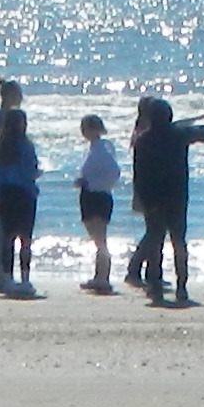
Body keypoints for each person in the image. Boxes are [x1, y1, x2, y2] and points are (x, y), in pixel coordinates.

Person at [128, 94, 204, 307]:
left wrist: (139, 198)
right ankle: (181, 287)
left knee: (155, 244)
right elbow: (201, 132)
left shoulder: (143, 141)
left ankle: (155, 288)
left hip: (153, 199)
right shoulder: (178, 135)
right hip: (176, 197)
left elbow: (138, 173)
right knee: (178, 243)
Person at [0, 98, 42, 296]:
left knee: (7, 238)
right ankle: (25, 279)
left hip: (6, 194)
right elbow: (32, 169)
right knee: (26, 238)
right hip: (26, 194)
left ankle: (8, 278)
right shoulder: (26, 146)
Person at [73, 113, 120, 295]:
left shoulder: (103, 149)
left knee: (100, 238)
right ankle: (99, 275)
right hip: (91, 195)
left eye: (85, 127)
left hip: (98, 196)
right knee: (97, 238)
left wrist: (90, 183)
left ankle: (103, 277)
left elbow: (113, 173)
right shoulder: (94, 148)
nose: (83, 131)